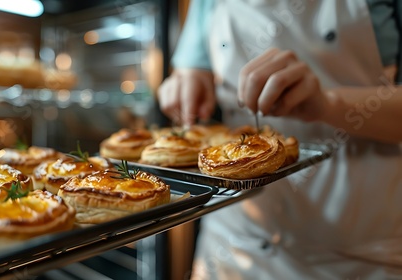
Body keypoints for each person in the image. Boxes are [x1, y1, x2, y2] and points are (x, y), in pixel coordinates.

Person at [158, 0, 402, 279]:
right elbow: (191, 70)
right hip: (232, 243)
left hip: (355, 252)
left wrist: (327, 104)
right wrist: (184, 83)